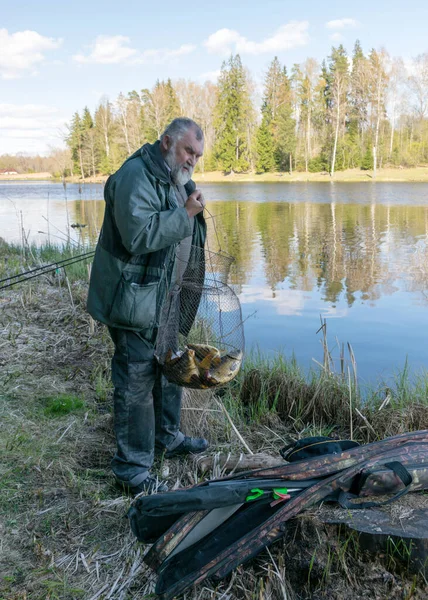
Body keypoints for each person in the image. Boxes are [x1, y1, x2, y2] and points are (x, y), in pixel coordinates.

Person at [87, 118, 208, 495]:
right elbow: (138, 236)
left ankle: (167, 439)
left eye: (198, 155)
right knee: (136, 380)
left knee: (170, 366)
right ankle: (132, 470)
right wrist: (185, 213)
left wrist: (188, 206)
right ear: (167, 141)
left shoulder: (172, 176)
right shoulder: (136, 176)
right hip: (133, 298)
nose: (192, 160)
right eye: (188, 151)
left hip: (164, 297)